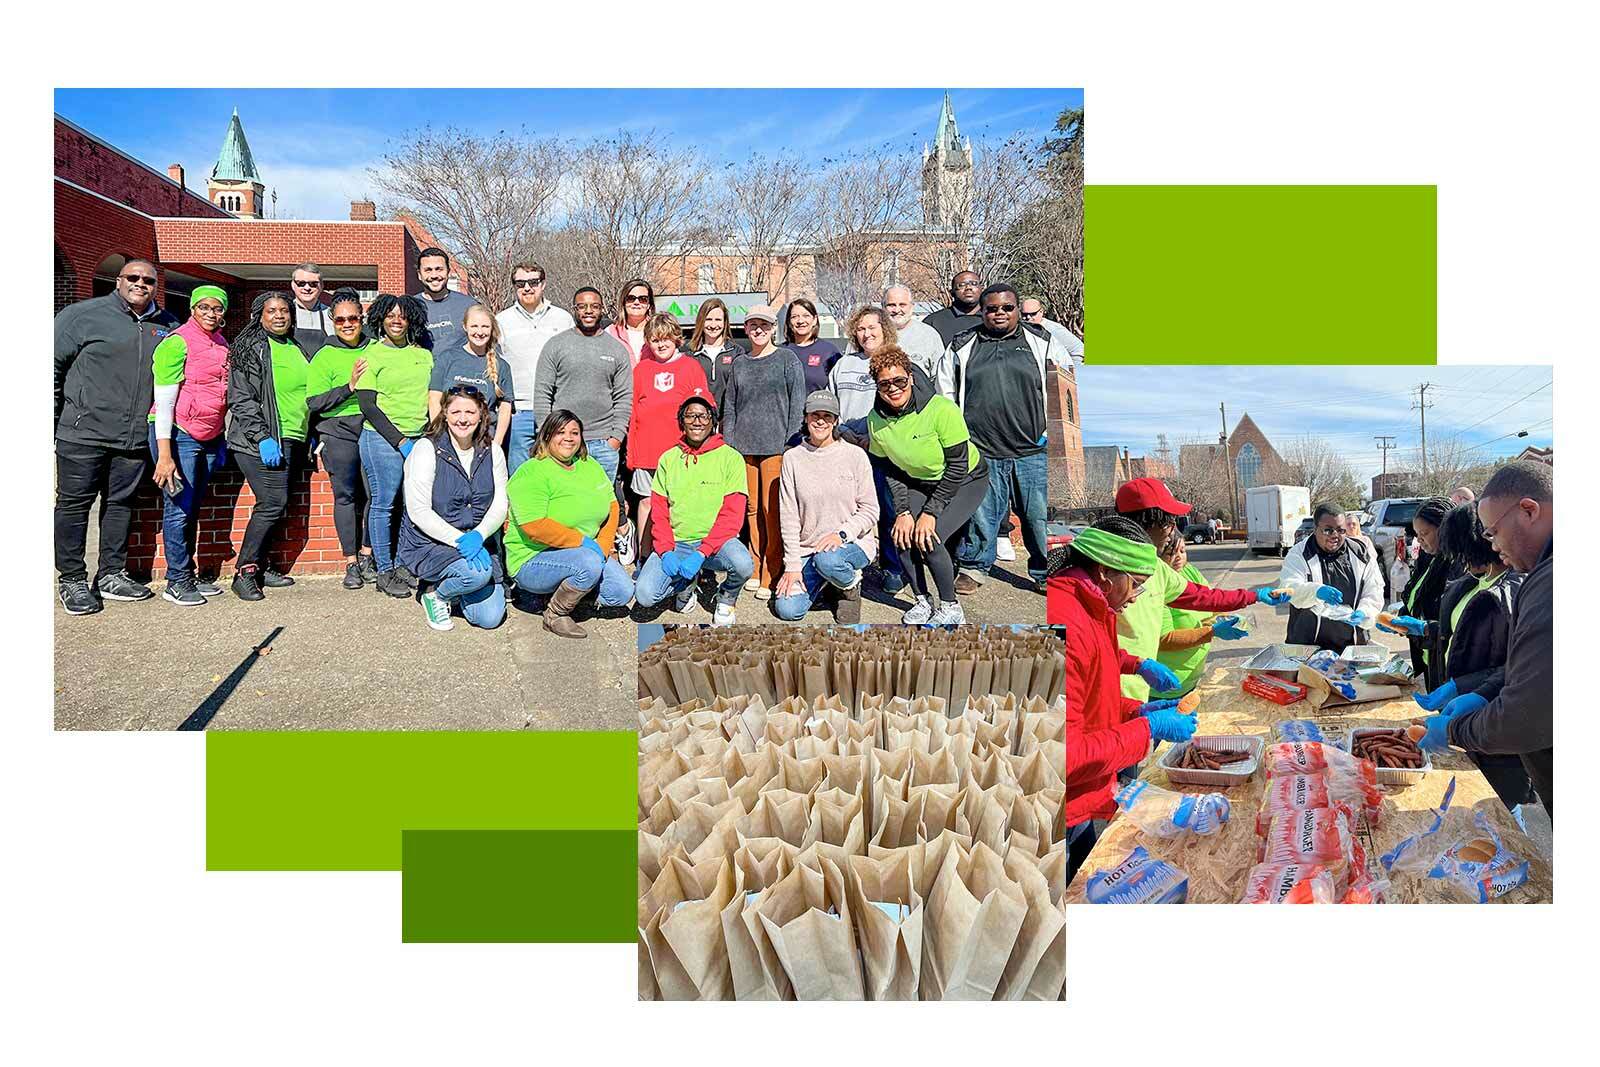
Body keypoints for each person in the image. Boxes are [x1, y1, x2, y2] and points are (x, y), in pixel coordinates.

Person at [1057, 518, 1200, 883]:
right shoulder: (1067, 621)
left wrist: (1134, 707)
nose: (1136, 596)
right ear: (1105, 572)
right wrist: (1145, 728)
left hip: (1080, 803)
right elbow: (1066, 756)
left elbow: (1092, 694)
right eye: (1135, 584)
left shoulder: (1093, 603)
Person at [1418, 461, 1552, 817]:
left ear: (1528, 510)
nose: (1493, 545)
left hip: (1508, 743)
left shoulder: (1543, 585)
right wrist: (1474, 690)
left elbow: (1523, 712)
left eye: (1492, 532)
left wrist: (1456, 728)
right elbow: (1528, 667)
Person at [1097, 478, 1310, 701]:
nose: (1172, 532)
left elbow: (1201, 597)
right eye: (1169, 523)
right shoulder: (1100, 574)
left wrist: (1253, 595)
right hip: (1113, 695)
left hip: (1138, 693)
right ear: (1148, 522)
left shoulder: (1157, 567)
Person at [54, 257, 180, 614]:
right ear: (118, 280)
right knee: (73, 506)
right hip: (83, 434)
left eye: (149, 281)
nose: (141, 284)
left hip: (134, 437)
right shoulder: (82, 316)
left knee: (120, 506)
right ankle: (72, 579)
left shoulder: (168, 325)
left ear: (158, 286)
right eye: (133, 278)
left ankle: (111, 573)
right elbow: (50, 367)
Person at [1397, 504, 1531, 810]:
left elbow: (1518, 666)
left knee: (1499, 806)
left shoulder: (1511, 593)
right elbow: (1460, 636)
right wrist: (1425, 629)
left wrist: (1470, 689)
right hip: (1462, 713)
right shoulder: (1472, 582)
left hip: (1494, 720)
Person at [853, 344, 989, 625]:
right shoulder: (875, 420)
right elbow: (889, 467)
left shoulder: (941, 409)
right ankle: (922, 601)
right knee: (901, 535)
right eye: (884, 384)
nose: (893, 388)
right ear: (877, 387)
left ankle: (950, 607)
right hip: (918, 480)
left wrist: (930, 512)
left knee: (930, 536)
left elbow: (958, 465)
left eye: (899, 381)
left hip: (964, 479)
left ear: (911, 378)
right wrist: (903, 511)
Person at [949, 283, 1061, 596]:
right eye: (992, 308)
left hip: (1032, 449)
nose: (999, 313)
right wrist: (960, 437)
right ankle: (974, 567)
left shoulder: (1040, 341)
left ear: (1016, 309)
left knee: (1036, 516)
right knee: (983, 514)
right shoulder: (962, 344)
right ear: (982, 311)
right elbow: (947, 390)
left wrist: (1050, 430)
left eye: (1007, 308)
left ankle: (1045, 571)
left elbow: (1064, 381)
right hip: (983, 447)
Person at [504, 411, 635, 638]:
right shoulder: (532, 471)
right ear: (546, 436)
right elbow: (534, 526)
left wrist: (603, 545)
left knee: (622, 592)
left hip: (583, 553)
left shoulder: (589, 465)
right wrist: (584, 543)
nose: (568, 438)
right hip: (533, 558)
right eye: (560, 432)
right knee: (588, 563)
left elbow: (613, 506)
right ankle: (555, 614)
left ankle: (565, 590)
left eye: (575, 433)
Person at [146, 284, 231, 606]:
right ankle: (176, 580)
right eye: (204, 307)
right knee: (179, 507)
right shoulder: (176, 342)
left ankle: (188, 574)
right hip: (179, 433)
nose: (211, 314)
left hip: (207, 435)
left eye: (217, 308)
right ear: (193, 309)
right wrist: (164, 455)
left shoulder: (220, 343)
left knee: (193, 507)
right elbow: (164, 401)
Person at [397, 385, 508, 632]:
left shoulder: (493, 451)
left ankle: (460, 585)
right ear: (444, 413)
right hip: (432, 543)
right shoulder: (426, 449)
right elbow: (419, 511)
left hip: (478, 542)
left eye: (470, 411)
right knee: (478, 575)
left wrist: (480, 534)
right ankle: (436, 594)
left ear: (481, 415)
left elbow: (501, 502)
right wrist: (460, 540)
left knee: (489, 618)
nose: (463, 418)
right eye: (456, 411)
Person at [633, 396, 752, 626]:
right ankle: (685, 584)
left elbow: (732, 516)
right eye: (690, 415)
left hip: (716, 544)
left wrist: (702, 552)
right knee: (645, 595)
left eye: (703, 416)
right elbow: (659, 513)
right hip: (678, 543)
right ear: (682, 422)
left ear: (713, 422)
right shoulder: (668, 459)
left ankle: (726, 597)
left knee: (743, 564)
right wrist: (666, 550)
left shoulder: (731, 458)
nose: (697, 421)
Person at [224, 292, 312, 601]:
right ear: (259, 315)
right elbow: (241, 398)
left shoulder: (295, 346)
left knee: (279, 504)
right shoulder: (251, 349)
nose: (279, 316)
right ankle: (245, 571)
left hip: (292, 437)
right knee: (272, 502)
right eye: (271, 311)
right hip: (259, 441)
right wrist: (262, 437)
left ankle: (261, 566)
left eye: (284, 310)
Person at [832, 305, 920, 596]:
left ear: (884, 329)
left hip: (883, 448)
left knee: (889, 508)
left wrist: (875, 439)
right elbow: (832, 407)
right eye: (861, 328)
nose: (867, 333)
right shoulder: (843, 365)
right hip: (846, 447)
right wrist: (843, 432)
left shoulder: (895, 364)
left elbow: (906, 406)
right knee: (848, 508)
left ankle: (894, 568)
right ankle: (848, 565)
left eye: (872, 327)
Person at [719, 304, 806, 600]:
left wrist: (790, 443)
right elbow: (729, 406)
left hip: (776, 447)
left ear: (773, 328)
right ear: (746, 328)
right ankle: (754, 567)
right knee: (751, 510)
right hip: (743, 448)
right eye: (753, 324)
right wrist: (729, 443)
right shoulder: (740, 363)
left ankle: (772, 570)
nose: (759, 329)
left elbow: (798, 404)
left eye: (765, 325)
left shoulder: (787, 359)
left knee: (772, 512)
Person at [773, 391, 878, 623]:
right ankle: (829, 583)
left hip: (851, 544)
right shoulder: (792, 458)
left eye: (827, 416)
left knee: (828, 560)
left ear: (836, 420)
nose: (821, 421)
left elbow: (871, 510)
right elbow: (788, 516)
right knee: (788, 609)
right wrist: (792, 566)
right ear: (806, 418)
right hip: (808, 548)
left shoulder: (855, 455)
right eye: (815, 415)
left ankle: (849, 588)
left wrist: (842, 534)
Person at [356, 294, 435, 598]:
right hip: (382, 439)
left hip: (419, 438)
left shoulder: (423, 355)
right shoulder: (371, 355)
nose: (396, 320)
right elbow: (368, 406)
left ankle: (403, 563)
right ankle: (384, 570)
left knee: (409, 504)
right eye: (390, 315)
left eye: (402, 315)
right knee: (383, 503)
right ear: (380, 319)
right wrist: (400, 442)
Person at [305, 290, 376, 589]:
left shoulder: (375, 348)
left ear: (362, 318)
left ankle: (368, 554)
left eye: (353, 318)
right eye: (340, 320)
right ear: (332, 322)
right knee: (345, 496)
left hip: (373, 427)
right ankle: (350, 562)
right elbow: (315, 402)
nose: (347, 324)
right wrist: (349, 387)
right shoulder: (325, 355)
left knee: (376, 495)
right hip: (337, 431)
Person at [531, 287, 633, 492]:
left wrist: (615, 439)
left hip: (603, 443)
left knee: (601, 504)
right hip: (563, 441)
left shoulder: (616, 349)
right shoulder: (556, 345)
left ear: (602, 309)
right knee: (564, 501)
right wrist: (549, 436)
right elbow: (543, 393)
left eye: (594, 306)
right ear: (574, 309)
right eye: (582, 306)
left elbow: (623, 397)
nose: (588, 311)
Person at [627, 313, 710, 555]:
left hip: (680, 452)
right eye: (654, 340)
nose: (661, 344)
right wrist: (631, 454)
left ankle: (681, 556)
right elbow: (633, 413)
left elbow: (704, 409)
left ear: (676, 338)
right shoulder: (642, 370)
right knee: (646, 503)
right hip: (647, 451)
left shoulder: (691, 367)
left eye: (665, 338)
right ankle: (644, 555)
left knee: (679, 506)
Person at [496, 262, 574, 475]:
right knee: (520, 475)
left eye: (533, 282)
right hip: (517, 411)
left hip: (554, 409)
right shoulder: (501, 321)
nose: (527, 288)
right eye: (520, 283)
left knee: (556, 471)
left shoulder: (563, 318)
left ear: (543, 284)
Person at [1152, 531, 1249, 697]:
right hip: (1168, 684)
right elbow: (1165, 639)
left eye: (1182, 551)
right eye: (1170, 553)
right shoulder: (1157, 586)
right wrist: (1212, 632)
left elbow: (1210, 601)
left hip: (1194, 677)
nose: (1178, 558)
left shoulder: (1190, 572)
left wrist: (1225, 616)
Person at [1279, 502, 1384, 652]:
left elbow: (1374, 590)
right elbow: (1289, 588)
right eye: (1328, 530)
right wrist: (1316, 591)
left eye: (1341, 530)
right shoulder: (1299, 554)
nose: (1335, 535)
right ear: (1315, 529)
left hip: (1351, 646)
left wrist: (1365, 612)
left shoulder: (1360, 553)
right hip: (1308, 646)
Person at [1390, 497, 1461, 679]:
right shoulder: (1427, 557)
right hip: (1428, 657)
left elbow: (1460, 624)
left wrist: (1425, 627)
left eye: (1425, 533)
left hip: (1449, 665)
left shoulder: (1459, 566)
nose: (1419, 540)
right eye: (1416, 535)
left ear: (1444, 529)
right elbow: (1416, 596)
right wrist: (1401, 618)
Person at [428, 303, 514, 449]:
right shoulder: (447, 358)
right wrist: (441, 437)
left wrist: (497, 444)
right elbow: (434, 398)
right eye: (474, 326)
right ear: (465, 327)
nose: (479, 332)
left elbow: (505, 407)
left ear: (492, 328)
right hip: (449, 439)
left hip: (483, 441)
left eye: (485, 327)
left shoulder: (502, 366)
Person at [882, 286, 951, 398]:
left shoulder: (928, 334)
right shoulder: (872, 334)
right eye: (891, 305)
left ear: (912, 307)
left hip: (920, 407)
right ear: (883, 307)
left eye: (902, 305)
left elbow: (941, 378)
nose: (897, 310)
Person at [411, 246, 477, 355]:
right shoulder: (409, 307)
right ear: (419, 274)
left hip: (460, 371)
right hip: (421, 370)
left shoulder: (469, 306)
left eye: (439, 269)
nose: (434, 275)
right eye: (428, 270)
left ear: (448, 272)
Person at [685, 297, 744, 405]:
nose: (713, 325)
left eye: (718, 320)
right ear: (701, 321)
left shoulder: (737, 352)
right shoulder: (689, 354)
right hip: (699, 419)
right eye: (708, 319)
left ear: (725, 322)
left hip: (727, 418)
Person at [779, 297, 841, 393]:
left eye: (806, 316)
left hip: (817, 407)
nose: (800, 321)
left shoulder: (829, 351)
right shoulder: (780, 351)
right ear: (789, 322)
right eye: (794, 317)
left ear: (815, 320)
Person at [921, 270, 983, 349]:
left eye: (974, 284)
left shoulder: (993, 319)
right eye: (961, 285)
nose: (968, 288)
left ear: (981, 289)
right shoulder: (933, 322)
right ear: (952, 292)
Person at [605, 278, 656, 367]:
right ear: (624, 303)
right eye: (631, 298)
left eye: (643, 299)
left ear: (649, 305)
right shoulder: (610, 333)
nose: (636, 302)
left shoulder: (659, 331)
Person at [1020, 297, 1084, 366]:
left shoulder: (1054, 329)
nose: (1028, 317)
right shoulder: (1020, 327)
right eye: (1024, 314)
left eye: (1033, 314)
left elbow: (1078, 349)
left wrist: (1071, 371)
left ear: (1041, 311)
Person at [288, 263, 334, 353]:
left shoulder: (332, 315)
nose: (307, 288)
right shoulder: (285, 314)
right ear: (293, 285)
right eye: (301, 283)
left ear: (321, 286)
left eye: (313, 284)